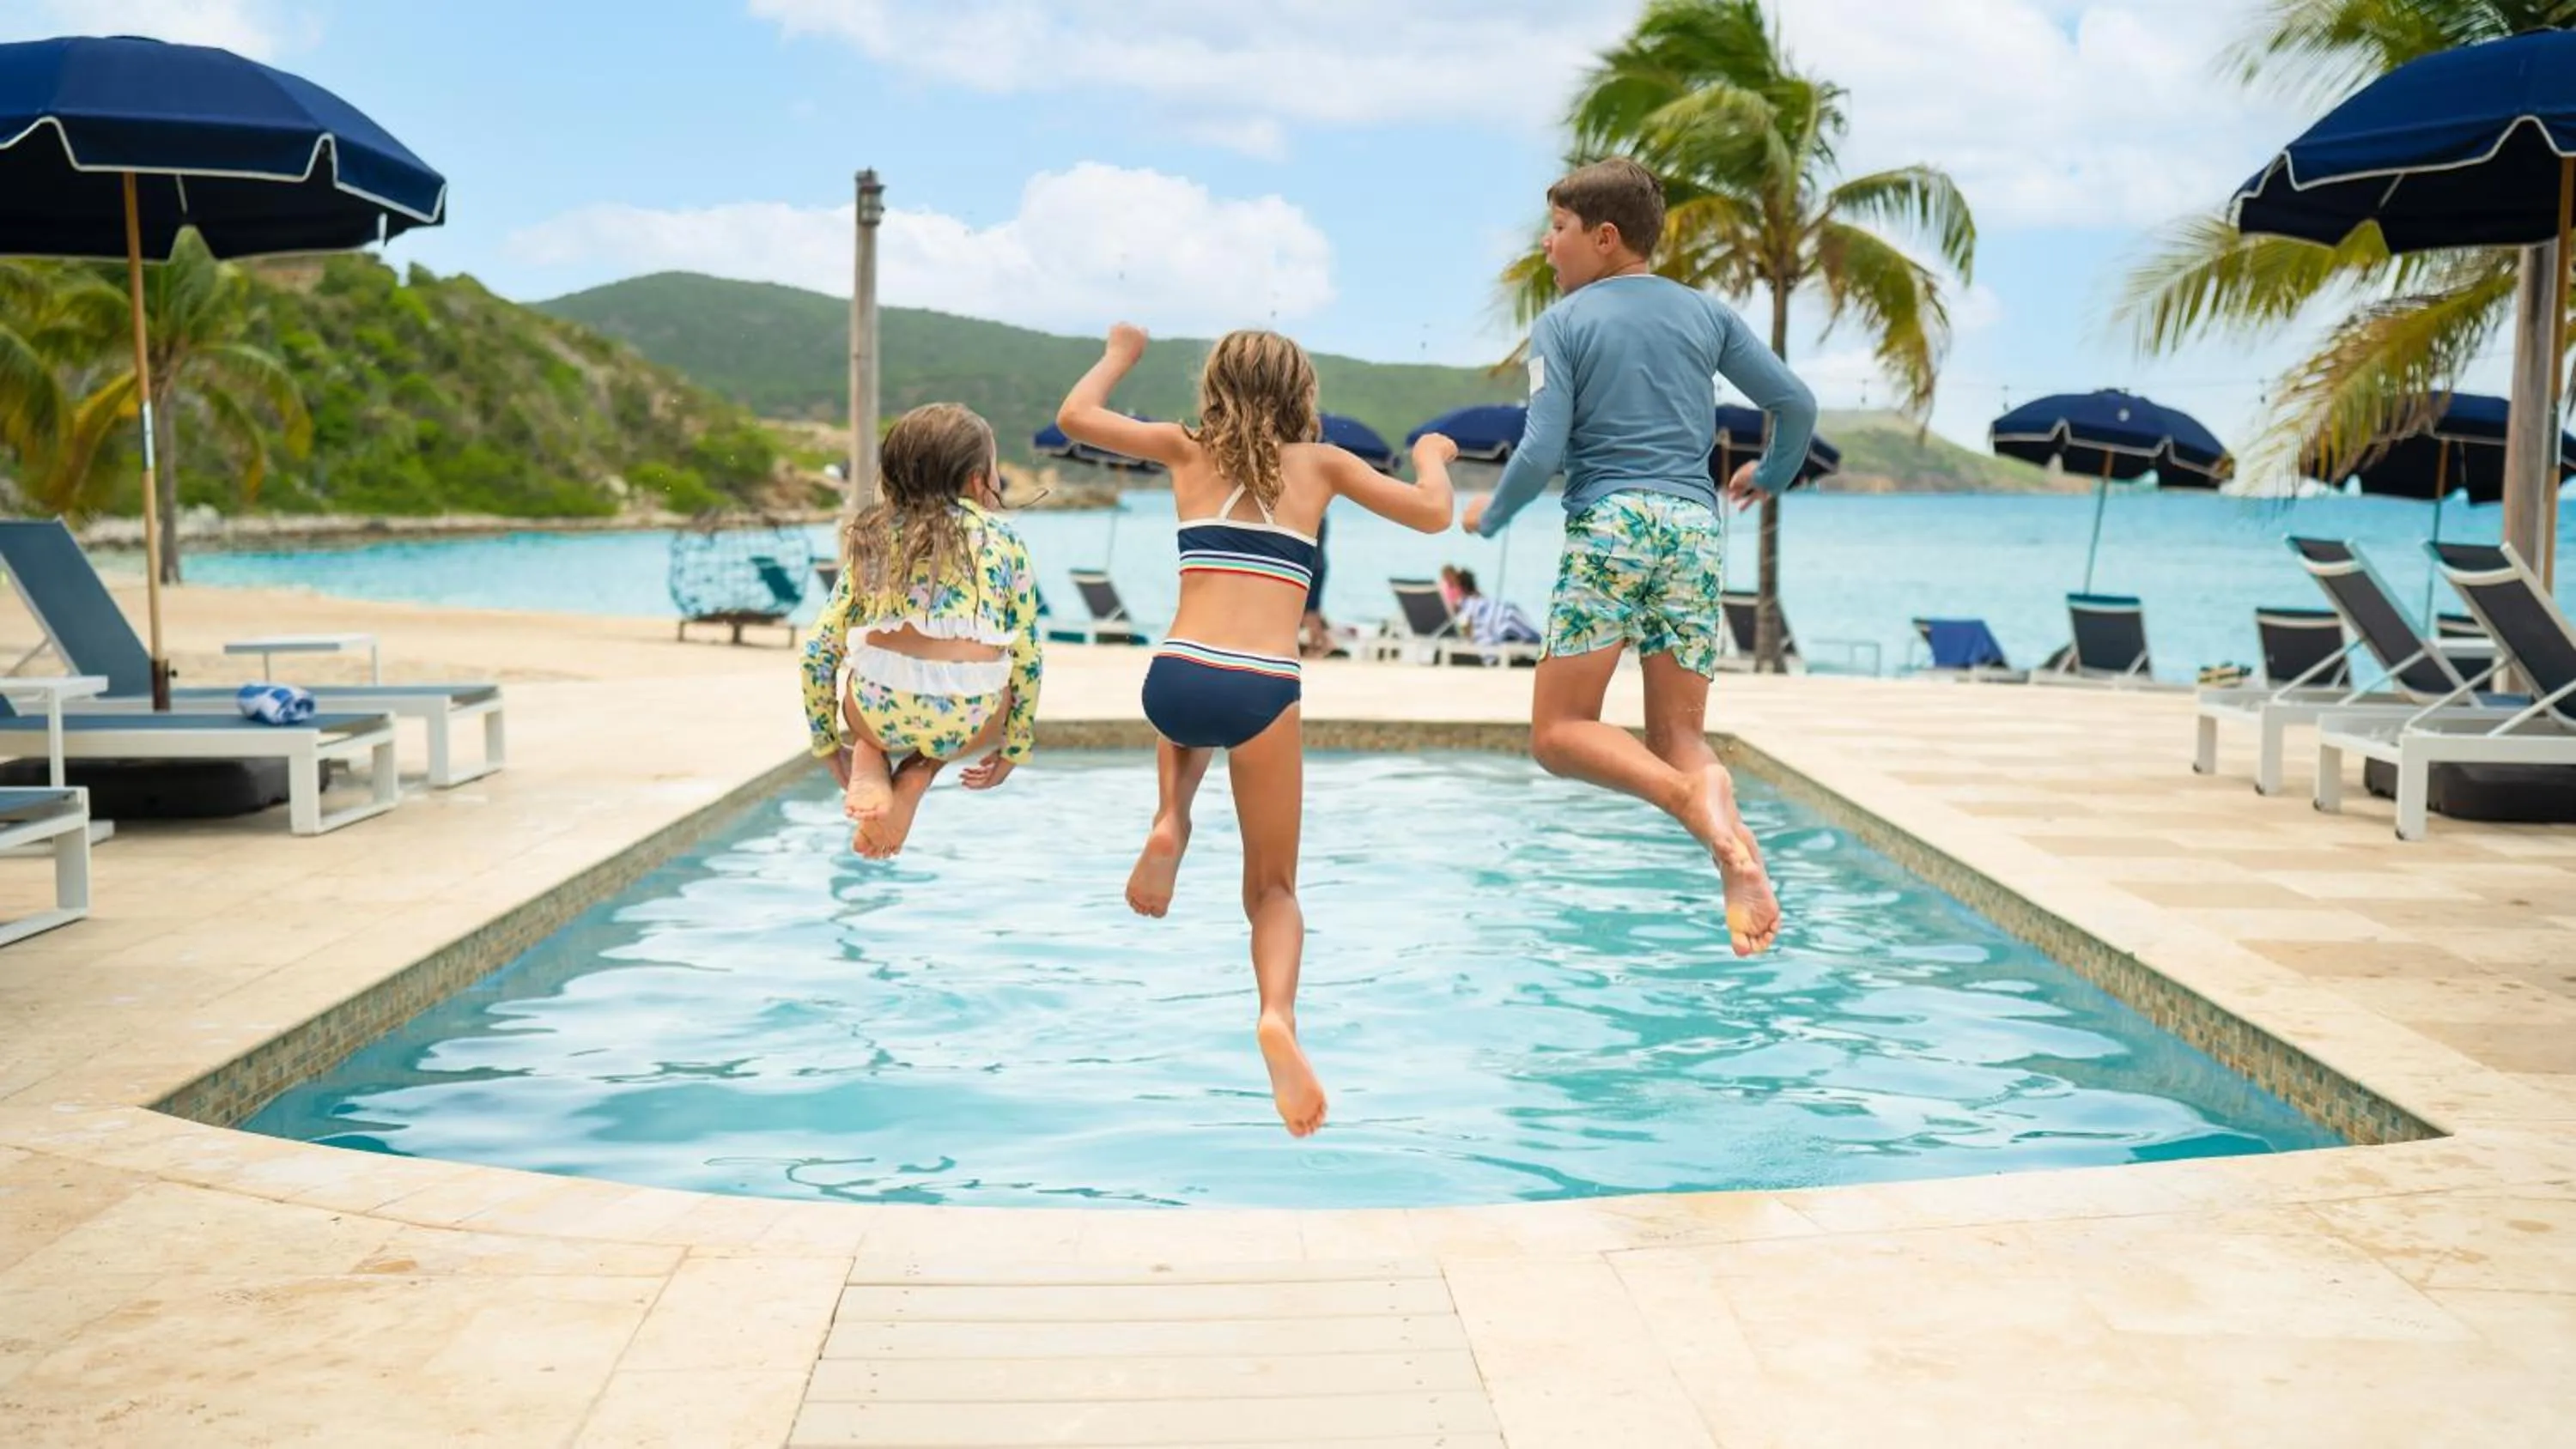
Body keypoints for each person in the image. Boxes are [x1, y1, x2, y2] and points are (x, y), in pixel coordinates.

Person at [1058, 324, 1457, 1137]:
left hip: (1174, 676)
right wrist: (1432, 456)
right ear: (1299, 394)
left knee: (1189, 700)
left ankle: (1171, 815)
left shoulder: (1184, 449)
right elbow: (1433, 516)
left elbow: (1074, 417)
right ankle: (1277, 1015)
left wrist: (1120, 357)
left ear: (1216, 386)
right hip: (1263, 687)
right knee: (1273, 890)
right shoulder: (1324, 465)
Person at [1460, 157, 1818, 958]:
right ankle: (1720, 822)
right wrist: (1774, 473)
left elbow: (1542, 445)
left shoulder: (1564, 322)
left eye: (1558, 230)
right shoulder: (1708, 315)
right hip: (1695, 529)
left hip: (1613, 526)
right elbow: (1795, 403)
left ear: (1605, 236)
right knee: (1681, 734)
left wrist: (1490, 517)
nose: (1548, 248)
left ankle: (1692, 803)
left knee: (1558, 734)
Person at [800, 403, 1043, 859]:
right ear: (977, 479)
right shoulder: (1005, 539)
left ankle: (870, 754)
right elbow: (1028, 651)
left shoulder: (873, 535)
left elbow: (819, 650)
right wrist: (1015, 747)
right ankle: (920, 774)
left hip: (879, 705)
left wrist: (829, 743)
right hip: (967, 715)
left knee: (863, 669)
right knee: (997, 686)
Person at [1450, 567, 1540, 646]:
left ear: (1461, 588)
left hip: (1496, 647)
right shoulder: (1489, 602)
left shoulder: (1467, 605)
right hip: (1523, 637)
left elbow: (1467, 631)